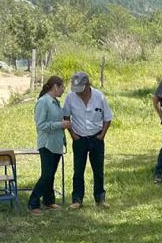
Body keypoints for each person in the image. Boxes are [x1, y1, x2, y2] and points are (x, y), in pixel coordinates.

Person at [62, 72, 113, 209]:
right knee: (78, 170)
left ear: (88, 85)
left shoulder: (99, 96)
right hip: (79, 138)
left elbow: (108, 117)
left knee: (98, 170)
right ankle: (77, 200)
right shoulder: (70, 98)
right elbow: (66, 117)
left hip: (96, 137)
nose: (78, 92)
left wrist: (102, 135)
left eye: (81, 89)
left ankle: (100, 199)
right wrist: (72, 134)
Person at [28, 76, 71, 216]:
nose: (63, 90)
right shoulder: (43, 102)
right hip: (46, 144)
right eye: (62, 87)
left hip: (56, 144)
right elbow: (41, 125)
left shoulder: (56, 102)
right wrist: (60, 125)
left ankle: (48, 200)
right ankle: (33, 202)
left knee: (51, 175)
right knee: (46, 175)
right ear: (55, 87)